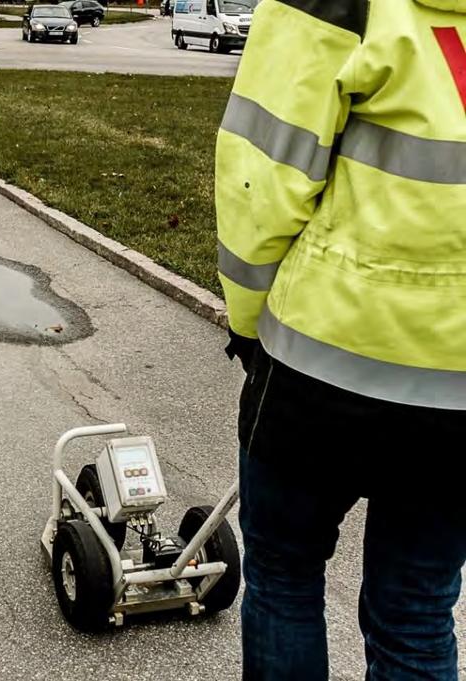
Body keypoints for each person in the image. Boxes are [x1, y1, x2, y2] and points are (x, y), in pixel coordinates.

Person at [215, 0, 466, 678]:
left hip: (321, 369)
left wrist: (246, 322)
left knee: (284, 575)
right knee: (415, 612)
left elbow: (261, 179)